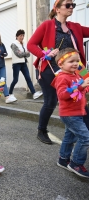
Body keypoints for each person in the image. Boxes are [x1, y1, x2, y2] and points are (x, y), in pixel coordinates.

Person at [27, 0, 89, 144]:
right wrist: (44, 54)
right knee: (51, 101)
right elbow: (31, 44)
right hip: (50, 68)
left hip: (74, 69)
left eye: (72, 5)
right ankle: (41, 130)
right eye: (68, 5)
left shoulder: (75, 27)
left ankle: (81, 130)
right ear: (57, 9)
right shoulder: (47, 25)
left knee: (80, 97)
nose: (71, 8)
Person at [51, 48, 89, 178]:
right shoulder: (61, 78)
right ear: (61, 64)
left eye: (77, 61)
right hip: (70, 114)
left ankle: (63, 159)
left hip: (78, 112)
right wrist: (80, 86)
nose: (75, 64)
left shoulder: (76, 75)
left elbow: (81, 89)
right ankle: (76, 163)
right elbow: (62, 95)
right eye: (71, 61)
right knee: (85, 138)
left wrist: (85, 88)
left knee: (70, 137)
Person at [9, 29, 43, 101]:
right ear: (17, 36)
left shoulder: (24, 44)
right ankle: (10, 93)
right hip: (16, 64)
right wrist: (26, 53)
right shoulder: (13, 44)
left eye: (23, 35)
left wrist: (25, 53)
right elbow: (19, 54)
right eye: (20, 35)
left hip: (23, 63)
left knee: (28, 78)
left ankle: (34, 93)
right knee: (15, 80)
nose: (22, 37)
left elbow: (28, 54)